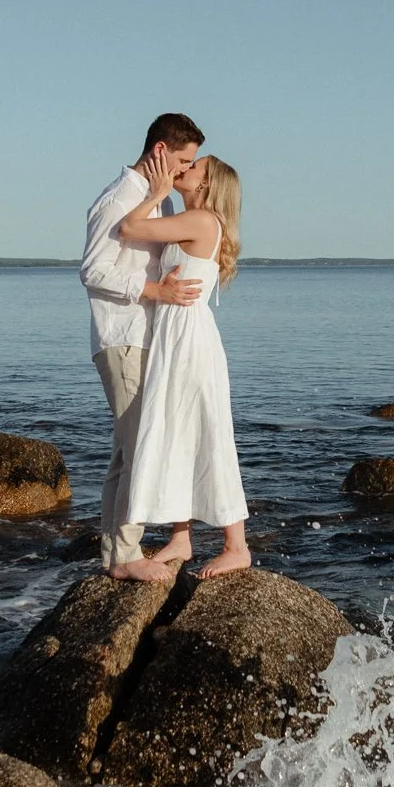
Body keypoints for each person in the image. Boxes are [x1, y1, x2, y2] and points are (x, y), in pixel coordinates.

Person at [81, 113, 207, 582]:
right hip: (123, 337)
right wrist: (156, 292)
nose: (183, 171)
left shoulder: (151, 202)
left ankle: (117, 555)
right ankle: (126, 556)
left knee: (123, 452)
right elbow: (93, 271)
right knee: (139, 448)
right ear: (159, 151)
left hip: (139, 338)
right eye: (181, 161)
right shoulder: (121, 199)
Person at [118, 148, 249, 577]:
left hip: (189, 339)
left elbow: (131, 226)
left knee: (206, 429)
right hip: (176, 334)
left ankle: (237, 545)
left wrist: (154, 192)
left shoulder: (201, 220)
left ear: (207, 185)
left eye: (195, 167)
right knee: (178, 428)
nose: (185, 169)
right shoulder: (192, 218)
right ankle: (181, 535)